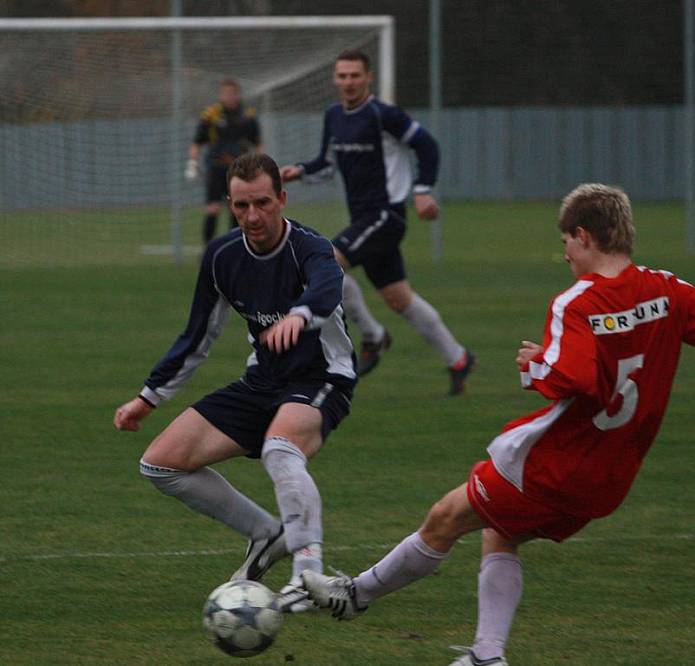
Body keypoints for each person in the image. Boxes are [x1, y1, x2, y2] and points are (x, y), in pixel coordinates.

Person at [299, 183, 695, 665]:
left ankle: (355, 597)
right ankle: (484, 652)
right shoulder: (669, 291)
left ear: (584, 236)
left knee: (446, 517)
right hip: (612, 477)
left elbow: (573, 378)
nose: (564, 251)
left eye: (566, 239)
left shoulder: (579, 304)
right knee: (499, 532)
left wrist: (535, 362)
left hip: (558, 467)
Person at [114, 152, 356, 614]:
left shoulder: (310, 246)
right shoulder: (223, 256)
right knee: (160, 464)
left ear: (282, 199)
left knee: (280, 449)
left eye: (262, 203)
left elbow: (327, 287)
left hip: (321, 378)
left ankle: (308, 573)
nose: (253, 216)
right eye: (241, 206)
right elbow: (197, 334)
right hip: (262, 381)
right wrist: (148, 398)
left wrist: (301, 315)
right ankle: (269, 532)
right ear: (230, 203)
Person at [280, 49, 475, 395]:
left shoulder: (384, 115)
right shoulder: (334, 115)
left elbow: (427, 145)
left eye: (355, 75)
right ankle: (458, 358)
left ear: (368, 77)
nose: (348, 82)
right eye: (342, 76)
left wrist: (423, 190)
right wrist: (299, 172)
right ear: (335, 79)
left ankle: (373, 336)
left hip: (385, 215)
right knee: (399, 299)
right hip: (364, 220)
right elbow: (326, 164)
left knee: (323, 263)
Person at [185, 77, 262, 245]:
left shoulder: (248, 116)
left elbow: (258, 143)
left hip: (239, 171)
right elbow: (197, 142)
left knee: (237, 210)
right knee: (213, 208)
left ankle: (235, 247)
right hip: (216, 168)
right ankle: (208, 250)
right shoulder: (211, 114)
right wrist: (192, 163)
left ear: (238, 95)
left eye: (233, 94)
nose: (230, 97)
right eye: (226, 94)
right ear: (220, 95)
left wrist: (261, 165)